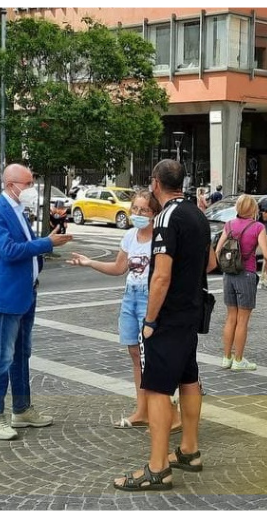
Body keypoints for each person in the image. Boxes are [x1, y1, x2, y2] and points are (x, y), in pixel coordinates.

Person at [113, 160, 214, 491]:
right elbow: (211, 262)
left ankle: (157, 468)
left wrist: (150, 321)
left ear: (155, 182)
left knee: (157, 388)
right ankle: (189, 449)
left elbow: (161, 275)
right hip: (191, 311)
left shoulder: (168, 217)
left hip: (168, 316)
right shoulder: (198, 214)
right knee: (189, 379)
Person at [67, 191, 182, 432]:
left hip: (149, 297)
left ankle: (170, 413)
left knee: (151, 356)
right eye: (135, 209)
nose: (138, 214)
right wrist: (89, 262)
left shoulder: (160, 238)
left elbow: (165, 274)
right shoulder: (130, 236)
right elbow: (119, 267)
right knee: (135, 354)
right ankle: (143, 410)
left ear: (154, 214)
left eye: (144, 210)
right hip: (130, 296)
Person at [0, 164, 73, 441]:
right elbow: (8, 251)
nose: (33, 188)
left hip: (26, 290)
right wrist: (47, 243)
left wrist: (46, 243)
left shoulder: (18, 209)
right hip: (9, 293)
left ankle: (21, 409)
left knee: (22, 352)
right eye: (29, 183)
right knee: (4, 355)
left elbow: (26, 246)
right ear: (12, 184)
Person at [216, 194, 267, 371]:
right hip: (246, 274)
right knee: (242, 320)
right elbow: (266, 254)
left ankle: (226, 358)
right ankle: (238, 360)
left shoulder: (229, 225)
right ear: (253, 209)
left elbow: (218, 250)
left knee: (230, 317)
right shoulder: (257, 227)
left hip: (229, 275)